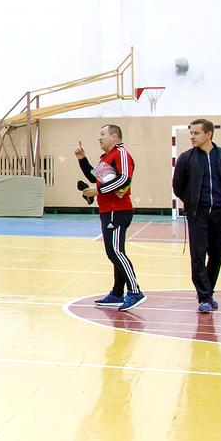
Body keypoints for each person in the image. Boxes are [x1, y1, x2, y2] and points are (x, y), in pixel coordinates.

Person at [77, 124, 145, 311]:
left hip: (118, 210)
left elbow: (124, 179)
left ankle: (135, 291)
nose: (99, 138)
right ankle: (117, 293)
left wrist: (97, 191)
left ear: (114, 136)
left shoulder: (121, 154)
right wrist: (82, 160)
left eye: (103, 134)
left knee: (115, 252)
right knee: (115, 252)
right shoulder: (105, 157)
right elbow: (95, 178)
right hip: (108, 210)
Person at [173, 118, 221, 313]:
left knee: (217, 254)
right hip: (197, 214)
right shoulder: (186, 158)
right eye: (191, 133)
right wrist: (192, 202)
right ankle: (204, 297)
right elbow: (178, 187)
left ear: (208, 134)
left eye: (196, 133)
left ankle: (208, 292)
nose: (192, 137)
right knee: (198, 256)